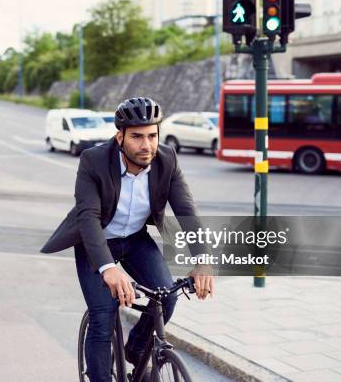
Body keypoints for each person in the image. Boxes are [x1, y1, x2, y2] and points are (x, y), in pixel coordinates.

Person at [41, 97, 214, 382]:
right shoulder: (93, 160)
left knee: (167, 297)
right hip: (95, 243)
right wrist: (108, 269)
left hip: (135, 240)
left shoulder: (167, 159)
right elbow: (88, 218)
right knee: (103, 315)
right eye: (137, 137)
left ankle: (135, 349)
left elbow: (186, 211)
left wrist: (203, 260)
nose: (146, 145)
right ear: (119, 136)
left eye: (152, 135)